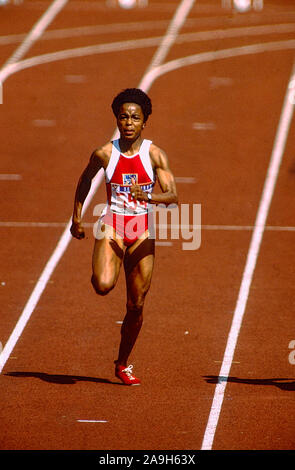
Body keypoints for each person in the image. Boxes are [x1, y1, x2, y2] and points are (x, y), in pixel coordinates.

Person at [70, 88, 178, 385]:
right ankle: (105, 268)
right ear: (116, 120)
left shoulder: (154, 155)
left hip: (141, 230)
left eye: (135, 117)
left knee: (136, 305)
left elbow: (173, 196)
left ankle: (122, 363)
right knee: (103, 285)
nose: (128, 122)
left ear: (145, 122)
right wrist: (76, 217)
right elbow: (85, 180)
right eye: (123, 117)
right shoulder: (105, 153)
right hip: (112, 225)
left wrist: (149, 196)